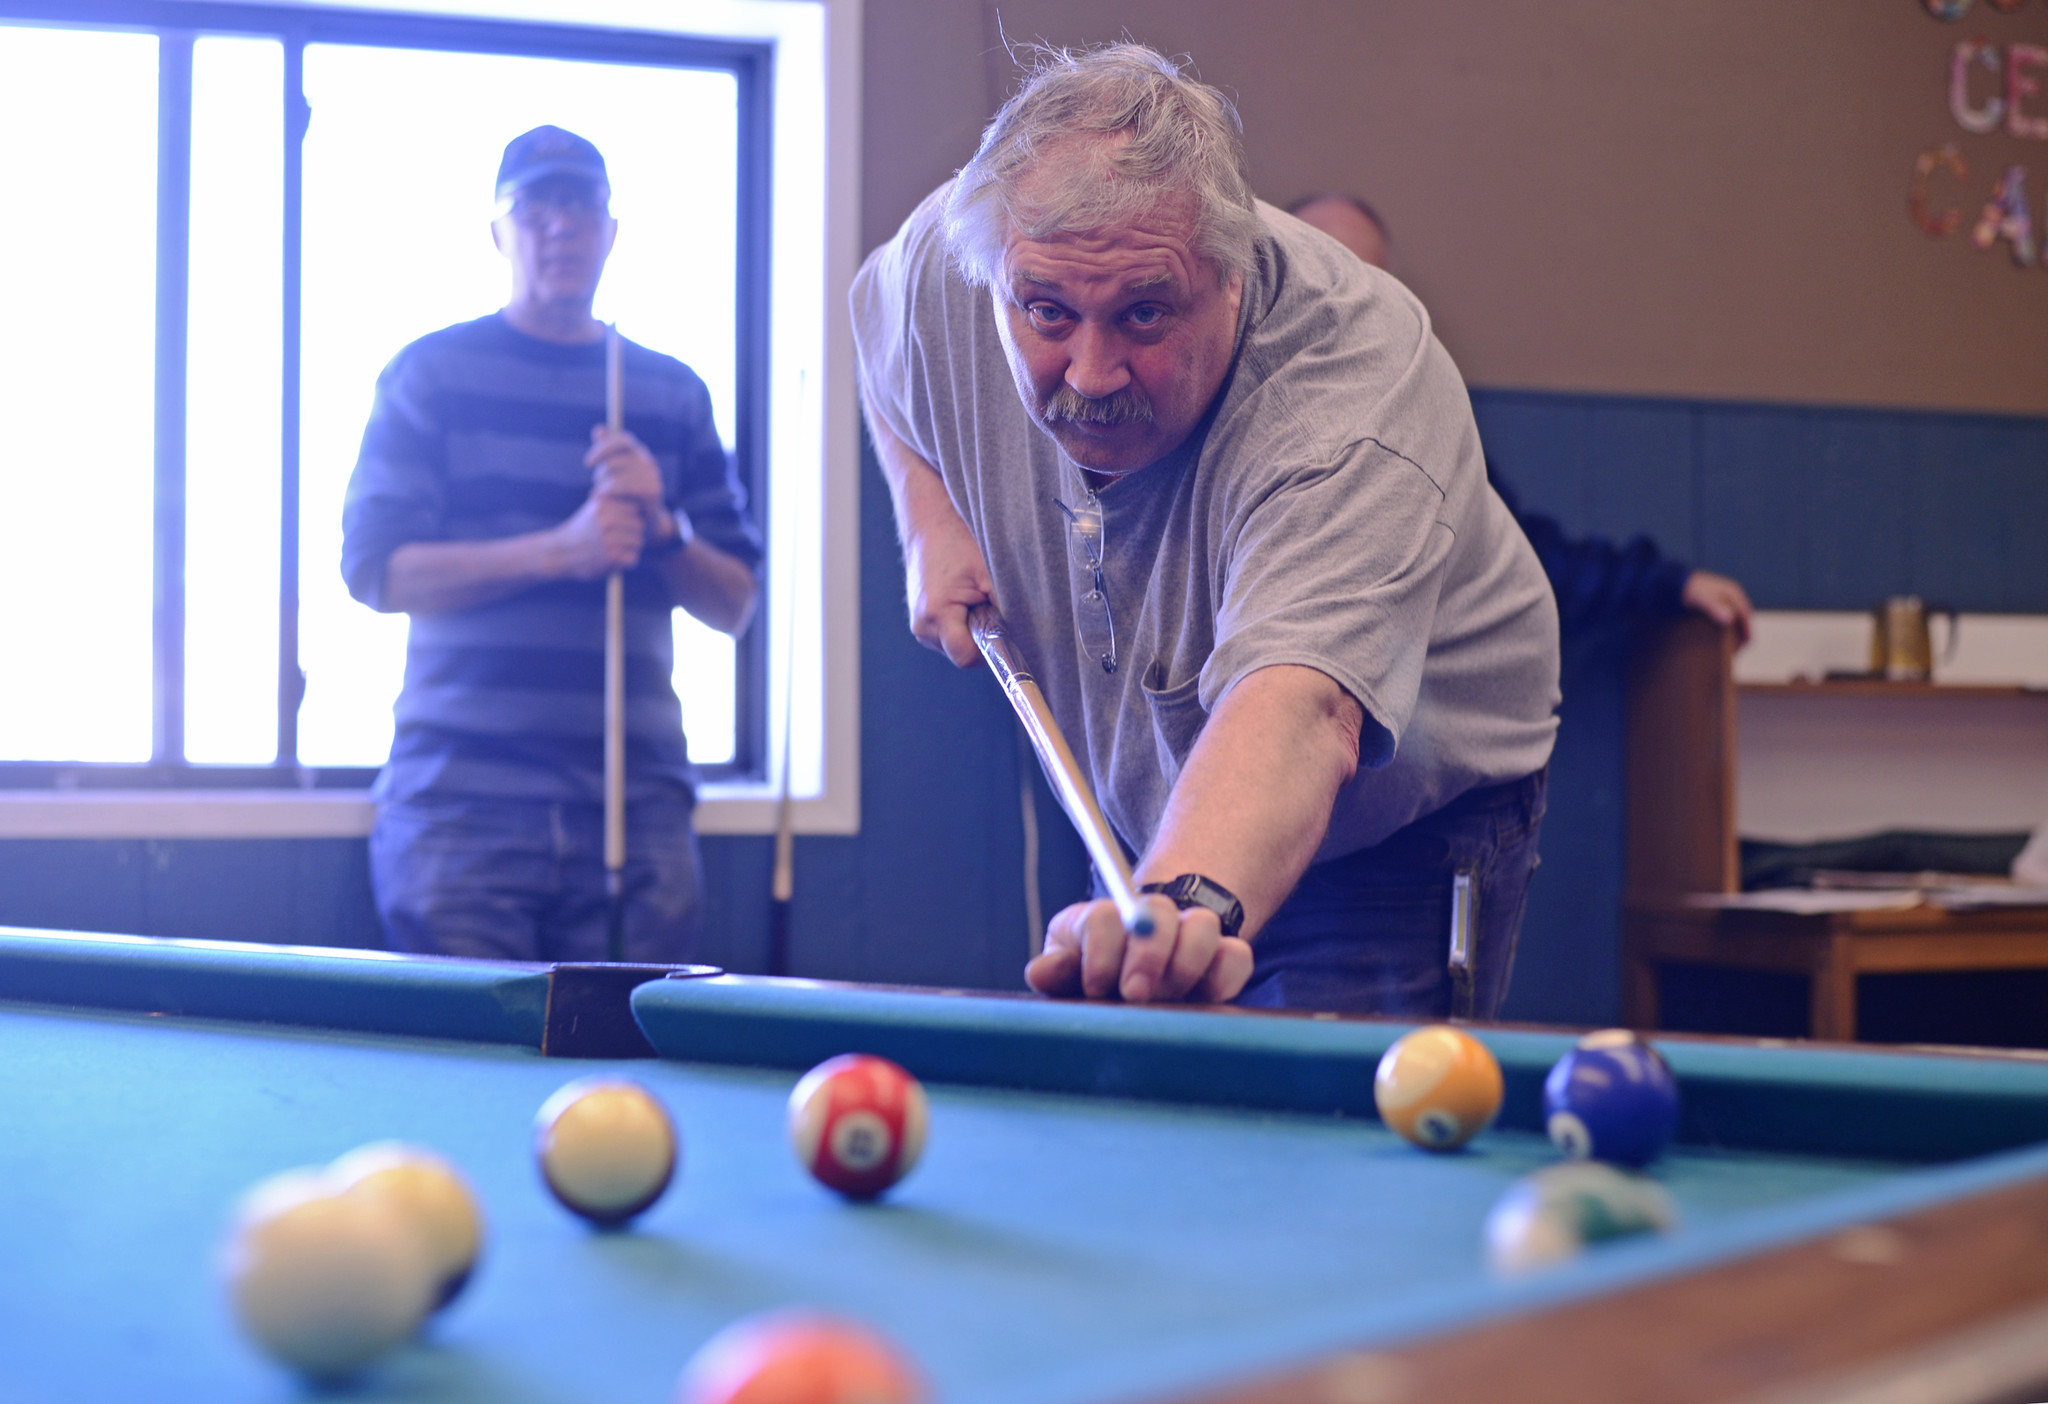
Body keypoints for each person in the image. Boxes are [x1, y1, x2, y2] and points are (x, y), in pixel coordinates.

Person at [852, 46, 1560, 1016]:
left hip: (1390, 829)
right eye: (1048, 314)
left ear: (1232, 275)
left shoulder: (1348, 395)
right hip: (1172, 803)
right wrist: (924, 520)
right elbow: (872, 337)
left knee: (1323, 1155)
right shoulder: (960, 255)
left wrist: (1174, 907)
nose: (1090, 372)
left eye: (1144, 313)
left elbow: (1301, 710)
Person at [341, 125, 761, 962]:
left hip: (634, 808)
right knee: (464, 1080)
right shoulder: (431, 375)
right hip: (460, 805)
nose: (560, 226)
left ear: (611, 231)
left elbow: (736, 604)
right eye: (534, 206)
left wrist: (663, 526)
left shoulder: (670, 393)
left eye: (582, 205)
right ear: (498, 231)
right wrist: (559, 551)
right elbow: (374, 569)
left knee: (628, 1081)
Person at [1288, 192, 1754, 641]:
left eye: (1365, 282)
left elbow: (1523, 564)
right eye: (1323, 272)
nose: (1341, 302)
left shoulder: (1421, 428)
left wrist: (1669, 584)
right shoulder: (1227, 417)